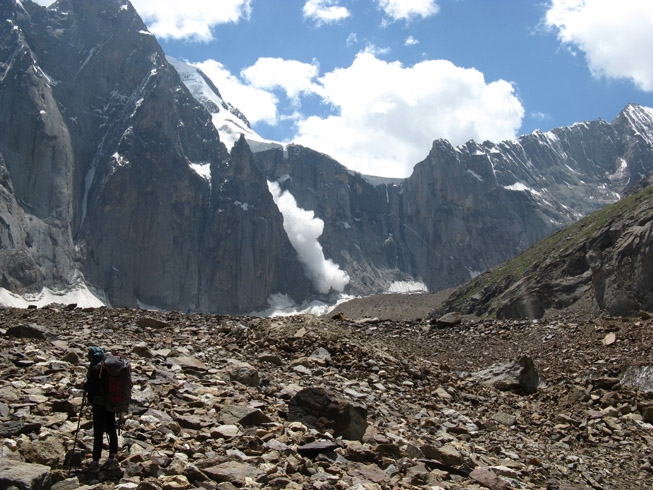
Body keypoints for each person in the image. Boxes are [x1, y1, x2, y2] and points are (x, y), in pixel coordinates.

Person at [84, 346, 118, 467]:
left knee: (98, 431)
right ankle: (112, 455)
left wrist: (84, 386)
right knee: (111, 427)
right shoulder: (109, 367)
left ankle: (96, 459)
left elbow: (89, 387)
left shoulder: (95, 368)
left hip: (99, 404)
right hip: (111, 401)